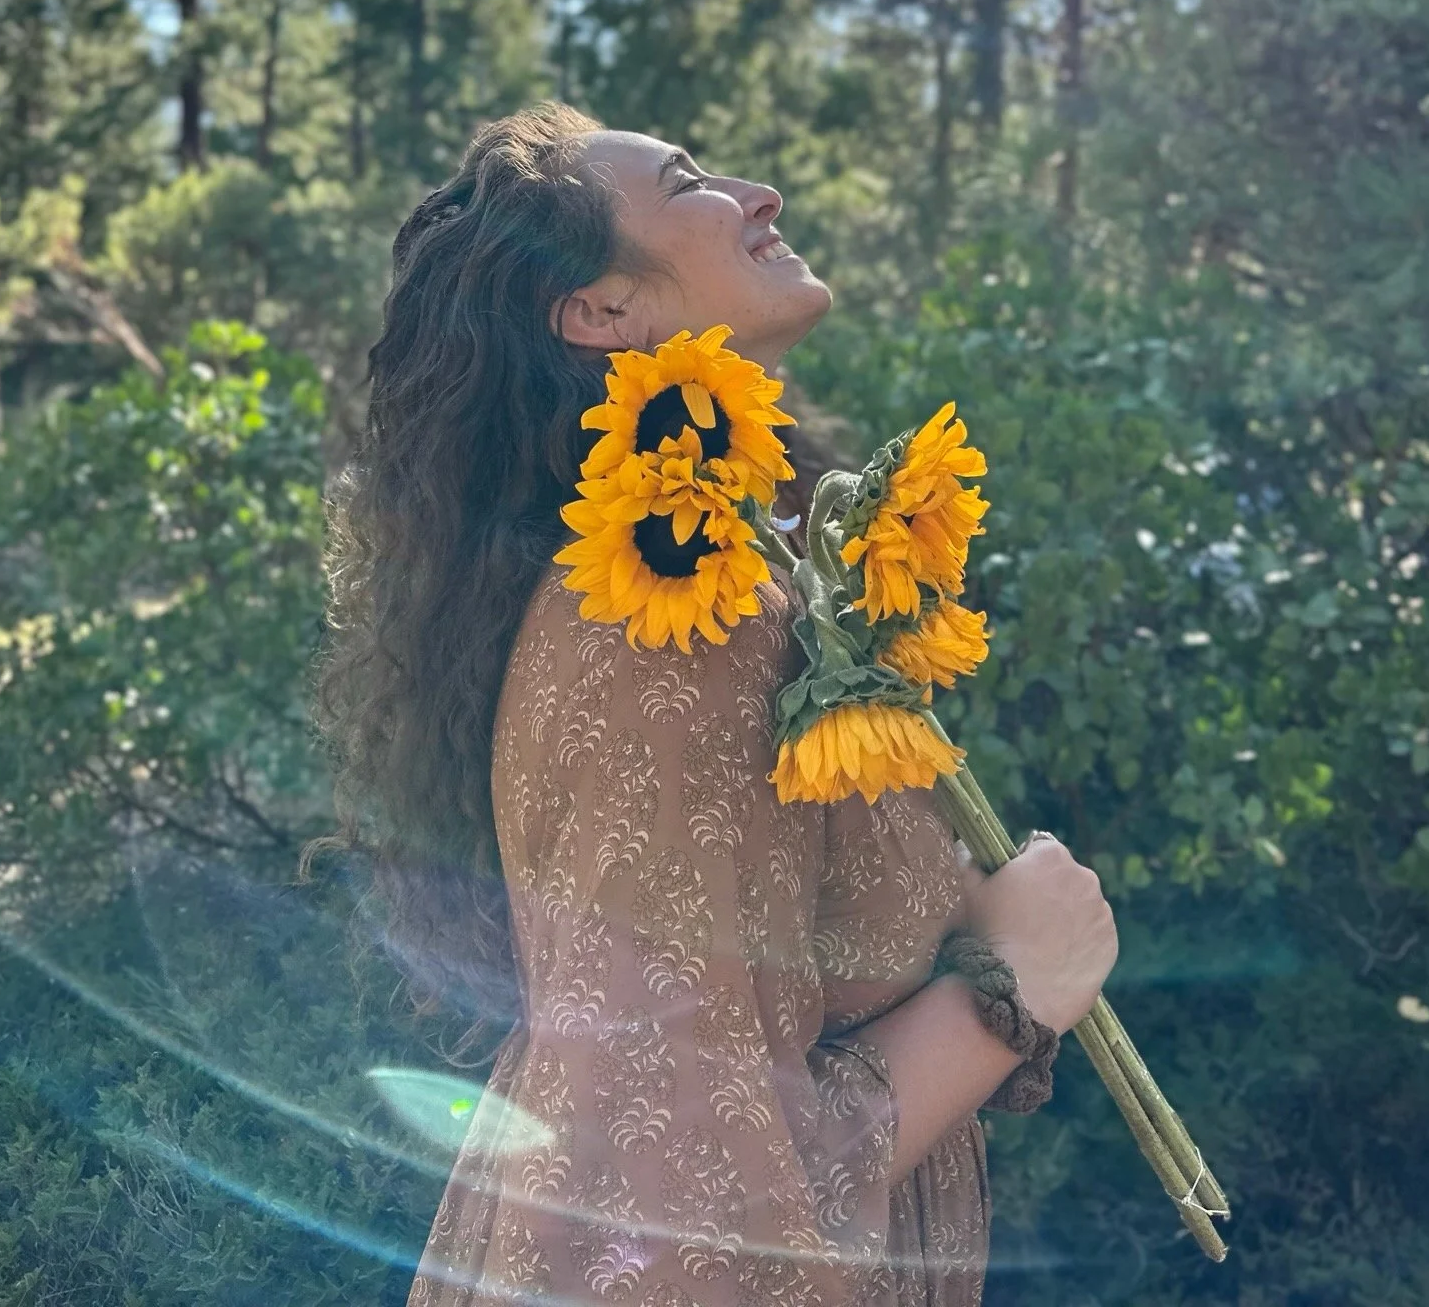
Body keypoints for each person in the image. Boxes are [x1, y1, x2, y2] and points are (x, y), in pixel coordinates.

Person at [312, 102, 1118, 1307]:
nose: (759, 191)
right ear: (601, 312)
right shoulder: (668, 625)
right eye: (689, 180)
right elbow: (679, 1194)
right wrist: (1008, 990)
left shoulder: (726, 578)